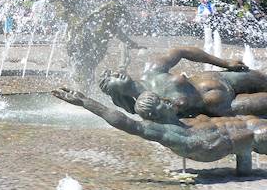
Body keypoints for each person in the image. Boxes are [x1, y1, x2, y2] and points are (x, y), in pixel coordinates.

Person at [52, 87, 267, 176]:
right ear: (156, 113)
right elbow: (124, 121)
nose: (166, 102)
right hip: (237, 140)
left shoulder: (177, 117)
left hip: (240, 131)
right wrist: (85, 101)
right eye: (161, 103)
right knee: (261, 134)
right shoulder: (163, 131)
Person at [99, 46, 267, 122]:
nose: (115, 74)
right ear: (115, 93)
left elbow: (180, 51)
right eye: (109, 79)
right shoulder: (147, 108)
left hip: (221, 78)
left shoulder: (152, 71)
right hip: (223, 106)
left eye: (112, 72)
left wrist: (224, 63)